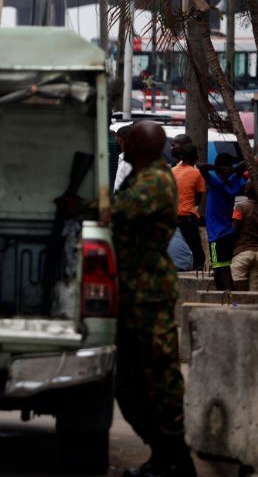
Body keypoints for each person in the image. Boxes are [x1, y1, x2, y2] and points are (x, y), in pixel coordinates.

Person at [68, 120, 193, 477]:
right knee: (130, 382)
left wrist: (81, 206)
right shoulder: (142, 176)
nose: (122, 144)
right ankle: (162, 454)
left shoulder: (154, 180)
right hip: (134, 291)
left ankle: (176, 460)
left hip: (149, 294)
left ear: (135, 147)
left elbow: (117, 211)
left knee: (160, 378)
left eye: (128, 140)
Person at [199, 153, 246, 290]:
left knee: (222, 272)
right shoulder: (234, 182)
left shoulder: (217, 184)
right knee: (222, 270)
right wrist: (233, 168)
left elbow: (200, 166)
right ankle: (227, 303)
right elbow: (245, 164)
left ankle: (231, 304)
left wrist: (217, 168)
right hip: (228, 234)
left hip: (216, 236)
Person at [171, 143, 205, 270]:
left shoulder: (172, 171)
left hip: (173, 217)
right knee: (198, 254)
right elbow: (197, 200)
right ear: (195, 157)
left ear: (180, 157)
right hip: (188, 217)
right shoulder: (196, 173)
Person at [231, 183, 258, 291]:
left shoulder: (240, 207)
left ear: (246, 191)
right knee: (255, 293)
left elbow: (234, 229)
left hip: (243, 253)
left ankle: (237, 307)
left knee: (238, 290)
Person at [114, 124, 133, 192]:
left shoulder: (127, 162)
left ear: (119, 140)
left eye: (115, 138)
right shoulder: (123, 158)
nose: (114, 141)